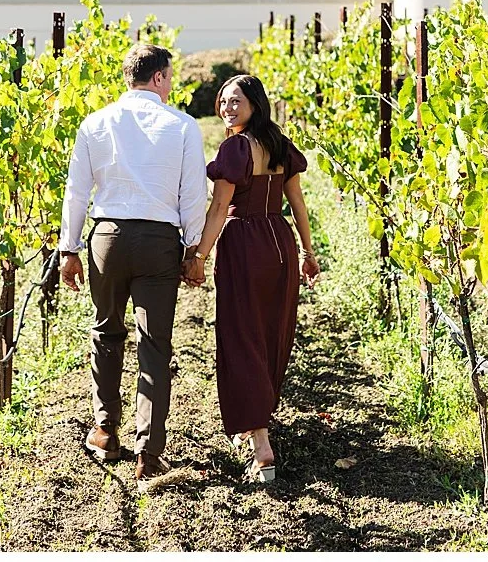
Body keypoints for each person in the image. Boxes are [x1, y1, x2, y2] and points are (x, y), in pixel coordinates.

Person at [58, 42, 207, 491]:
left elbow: (76, 190)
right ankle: (148, 454)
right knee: (155, 344)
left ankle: (105, 432)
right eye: (169, 78)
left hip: (107, 239)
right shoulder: (181, 126)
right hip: (159, 239)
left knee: (105, 331)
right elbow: (193, 194)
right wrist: (192, 249)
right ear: (159, 77)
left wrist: (69, 248)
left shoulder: (95, 123)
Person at [189, 74, 320, 483]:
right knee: (269, 333)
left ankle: (261, 445)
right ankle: (256, 420)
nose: (228, 108)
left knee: (241, 335)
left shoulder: (234, 149)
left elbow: (218, 209)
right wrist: (306, 251)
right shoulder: (279, 144)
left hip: (244, 243)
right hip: (278, 242)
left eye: (236, 102)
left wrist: (198, 256)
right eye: (224, 101)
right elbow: (296, 202)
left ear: (254, 105)